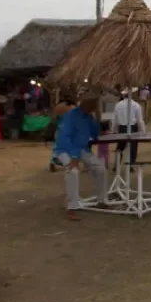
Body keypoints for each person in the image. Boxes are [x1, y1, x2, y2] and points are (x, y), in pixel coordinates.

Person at [54, 92, 109, 221]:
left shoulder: (89, 117)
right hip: (65, 149)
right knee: (73, 172)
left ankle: (101, 200)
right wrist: (73, 157)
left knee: (100, 169)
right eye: (94, 104)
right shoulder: (70, 116)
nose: (95, 106)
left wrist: (98, 118)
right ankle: (71, 207)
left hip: (82, 149)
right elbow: (64, 137)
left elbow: (95, 134)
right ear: (86, 103)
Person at [113, 88, 146, 167]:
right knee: (133, 147)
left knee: (120, 147)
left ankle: (116, 165)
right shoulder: (136, 105)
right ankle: (131, 165)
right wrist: (143, 131)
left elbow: (115, 119)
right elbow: (139, 120)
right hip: (132, 127)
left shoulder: (118, 105)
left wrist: (114, 130)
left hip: (122, 128)